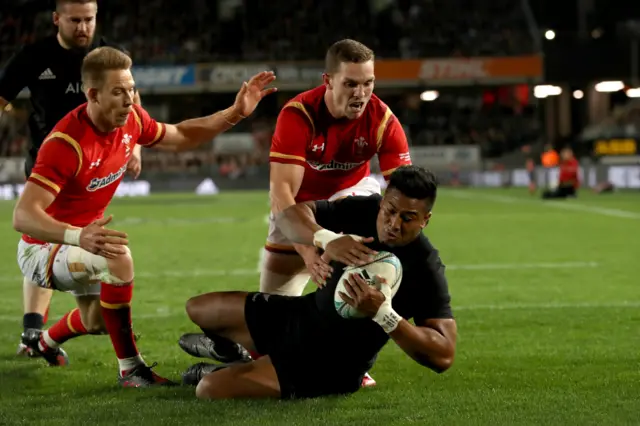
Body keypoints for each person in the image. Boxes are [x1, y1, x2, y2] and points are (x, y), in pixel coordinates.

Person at [12, 46, 276, 387]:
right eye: (118, 92)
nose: (129, 99)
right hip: (42, 249)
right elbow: (23, 216)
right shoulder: (66, 144)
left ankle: (44, 342)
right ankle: (132, 370)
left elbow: (180, 136)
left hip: (83, 242)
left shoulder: (132, 120)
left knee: (96, 320)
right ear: (92, 94)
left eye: (132, 89)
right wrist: (79, 236)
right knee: (118, 257)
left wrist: (235, 113)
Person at [179, 38, 412, 388]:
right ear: (327, 81)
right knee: (272, 322)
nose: (361, 93)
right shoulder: (298, 115)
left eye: (368, 83)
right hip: (294, 210)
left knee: (366, 232)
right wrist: (308, 249)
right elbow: (283, 195)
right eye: (350, 83)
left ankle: (353, 360)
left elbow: (404, 192)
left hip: (349, 197)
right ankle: (225, 358)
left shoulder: (383, 121)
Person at [179, 165, 457, 400]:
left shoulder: (425, 266)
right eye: (390, 211)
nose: (394, 224)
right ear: (382, 201)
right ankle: (235, 355)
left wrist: (384, 315)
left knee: (208, 389)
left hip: (329, 363)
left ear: (425, 220)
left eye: (408, 218)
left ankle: (222, 373)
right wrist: (326, 238)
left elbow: (443, 355)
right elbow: (289, 216)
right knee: (198, 308)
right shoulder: (364, 210)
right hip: (299, 315)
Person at [0, 0, 143, 356]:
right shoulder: (34, 56)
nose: (83, 27)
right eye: (75, 20)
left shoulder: (108, 55)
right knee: (42, 238)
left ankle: (44, 337)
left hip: (92, 168)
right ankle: (32, 332)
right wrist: (11, 117)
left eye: (89, 19)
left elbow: (132, 96)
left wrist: (135, 146)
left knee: (82, 257)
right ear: (56, 19)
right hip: (46, 168)